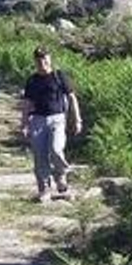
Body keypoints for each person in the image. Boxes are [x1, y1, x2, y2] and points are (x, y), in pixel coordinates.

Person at [22, 47, 82, 201]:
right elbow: (27, 103)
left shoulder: (59, 76)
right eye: (39, 59)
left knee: (56, 149)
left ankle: (61, 176)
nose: (42, 62)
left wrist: (77, 119)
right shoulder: (32, 80)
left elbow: (72, 98)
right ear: (35, 61)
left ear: (50, 58)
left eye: (44, 58)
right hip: (37, 120)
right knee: (40, 155)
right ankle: (44, 188)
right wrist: (24, 123)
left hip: (57, 119)